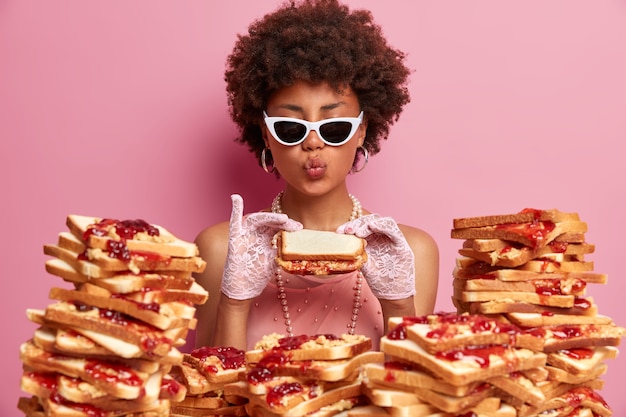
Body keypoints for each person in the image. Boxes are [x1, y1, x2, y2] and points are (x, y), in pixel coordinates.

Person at [193, 0, 439, 351]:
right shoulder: (221, 248)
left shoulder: (412, 251)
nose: (312, 143)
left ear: (360, 131)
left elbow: (410, 398)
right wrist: (235, 300)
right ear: (265, 134)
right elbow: (212, 398)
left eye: (334, 127)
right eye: (291, 128)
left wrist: (398, 304)